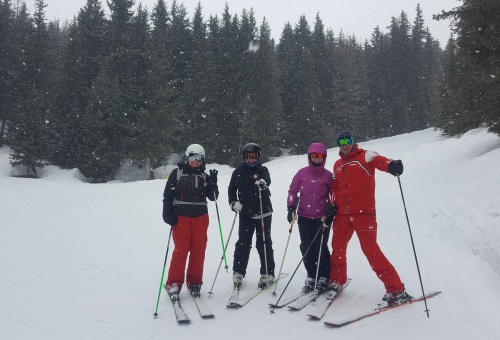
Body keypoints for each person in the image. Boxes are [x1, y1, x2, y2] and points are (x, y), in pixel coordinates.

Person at [326, 130, 412, 305]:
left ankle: (396, 289)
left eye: (347, 140)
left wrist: (391, 166)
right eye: (341, 141)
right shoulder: (337, 164)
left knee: (371, 251)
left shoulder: (366, 156)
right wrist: (331, 205)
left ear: (353, 141)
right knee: (337, 250)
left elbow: (381, 161)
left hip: (364, 214)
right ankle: (337, 281)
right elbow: (335, 189)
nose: (345, 144)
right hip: (342, 215)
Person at [162, 144, 219, 300]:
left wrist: (213, 183)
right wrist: (167, 214)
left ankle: (194, 282)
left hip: (201, 218)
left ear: (202, 160)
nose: (195, 161)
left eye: (199, 158)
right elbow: (167, 196)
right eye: (193, 157)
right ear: (187, 158)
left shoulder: (205, 176)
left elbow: (213, 197)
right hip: (181, 217)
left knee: (198, 251)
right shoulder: (177, 173)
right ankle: (174, 283)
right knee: (180, 251)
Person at [286, 142, 333, 294]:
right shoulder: (302, 173)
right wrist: (291, 206)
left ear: (324, 158)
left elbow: (334, 195)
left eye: (320, 156)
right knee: (306, 246)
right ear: (309, 157)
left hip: (321, 218)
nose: (317, 159)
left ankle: (323, 276)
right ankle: (311, 275)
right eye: (314, 156)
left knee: (321, 247)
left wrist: (331, 209)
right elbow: (293, 190)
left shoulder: (328, 176)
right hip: (304, 216)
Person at [228, 143, 275, 289]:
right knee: (243, 243)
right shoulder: (238, 171)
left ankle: (268, 272)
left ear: (258, 156)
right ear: (244, 157)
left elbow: (267, 179)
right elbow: (231, 189)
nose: (251, 159)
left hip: (263, 212)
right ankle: (239, 272)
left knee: (263, 243)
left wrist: (263, 183)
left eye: (253, 156)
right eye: (248, 156)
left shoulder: (263, 170)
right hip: (246, 214)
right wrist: (233, 202)